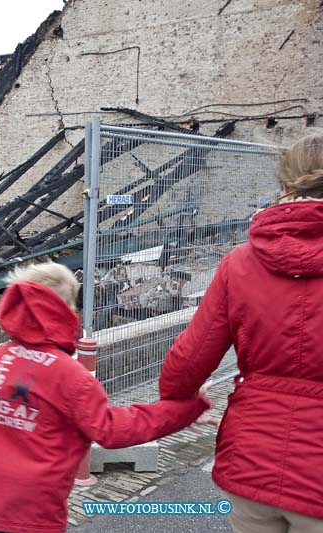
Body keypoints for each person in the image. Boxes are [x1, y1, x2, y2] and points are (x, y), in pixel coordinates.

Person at [0, 261, 214, 533]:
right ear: (65, 310)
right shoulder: (70, 375)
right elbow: (113, 430)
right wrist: (184, 410)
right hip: (33, 514)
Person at [159, 133, 323, 532]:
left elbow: (191, 356)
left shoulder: (240, 263)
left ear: (284, 184)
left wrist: (181, 399)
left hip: (252, 461)